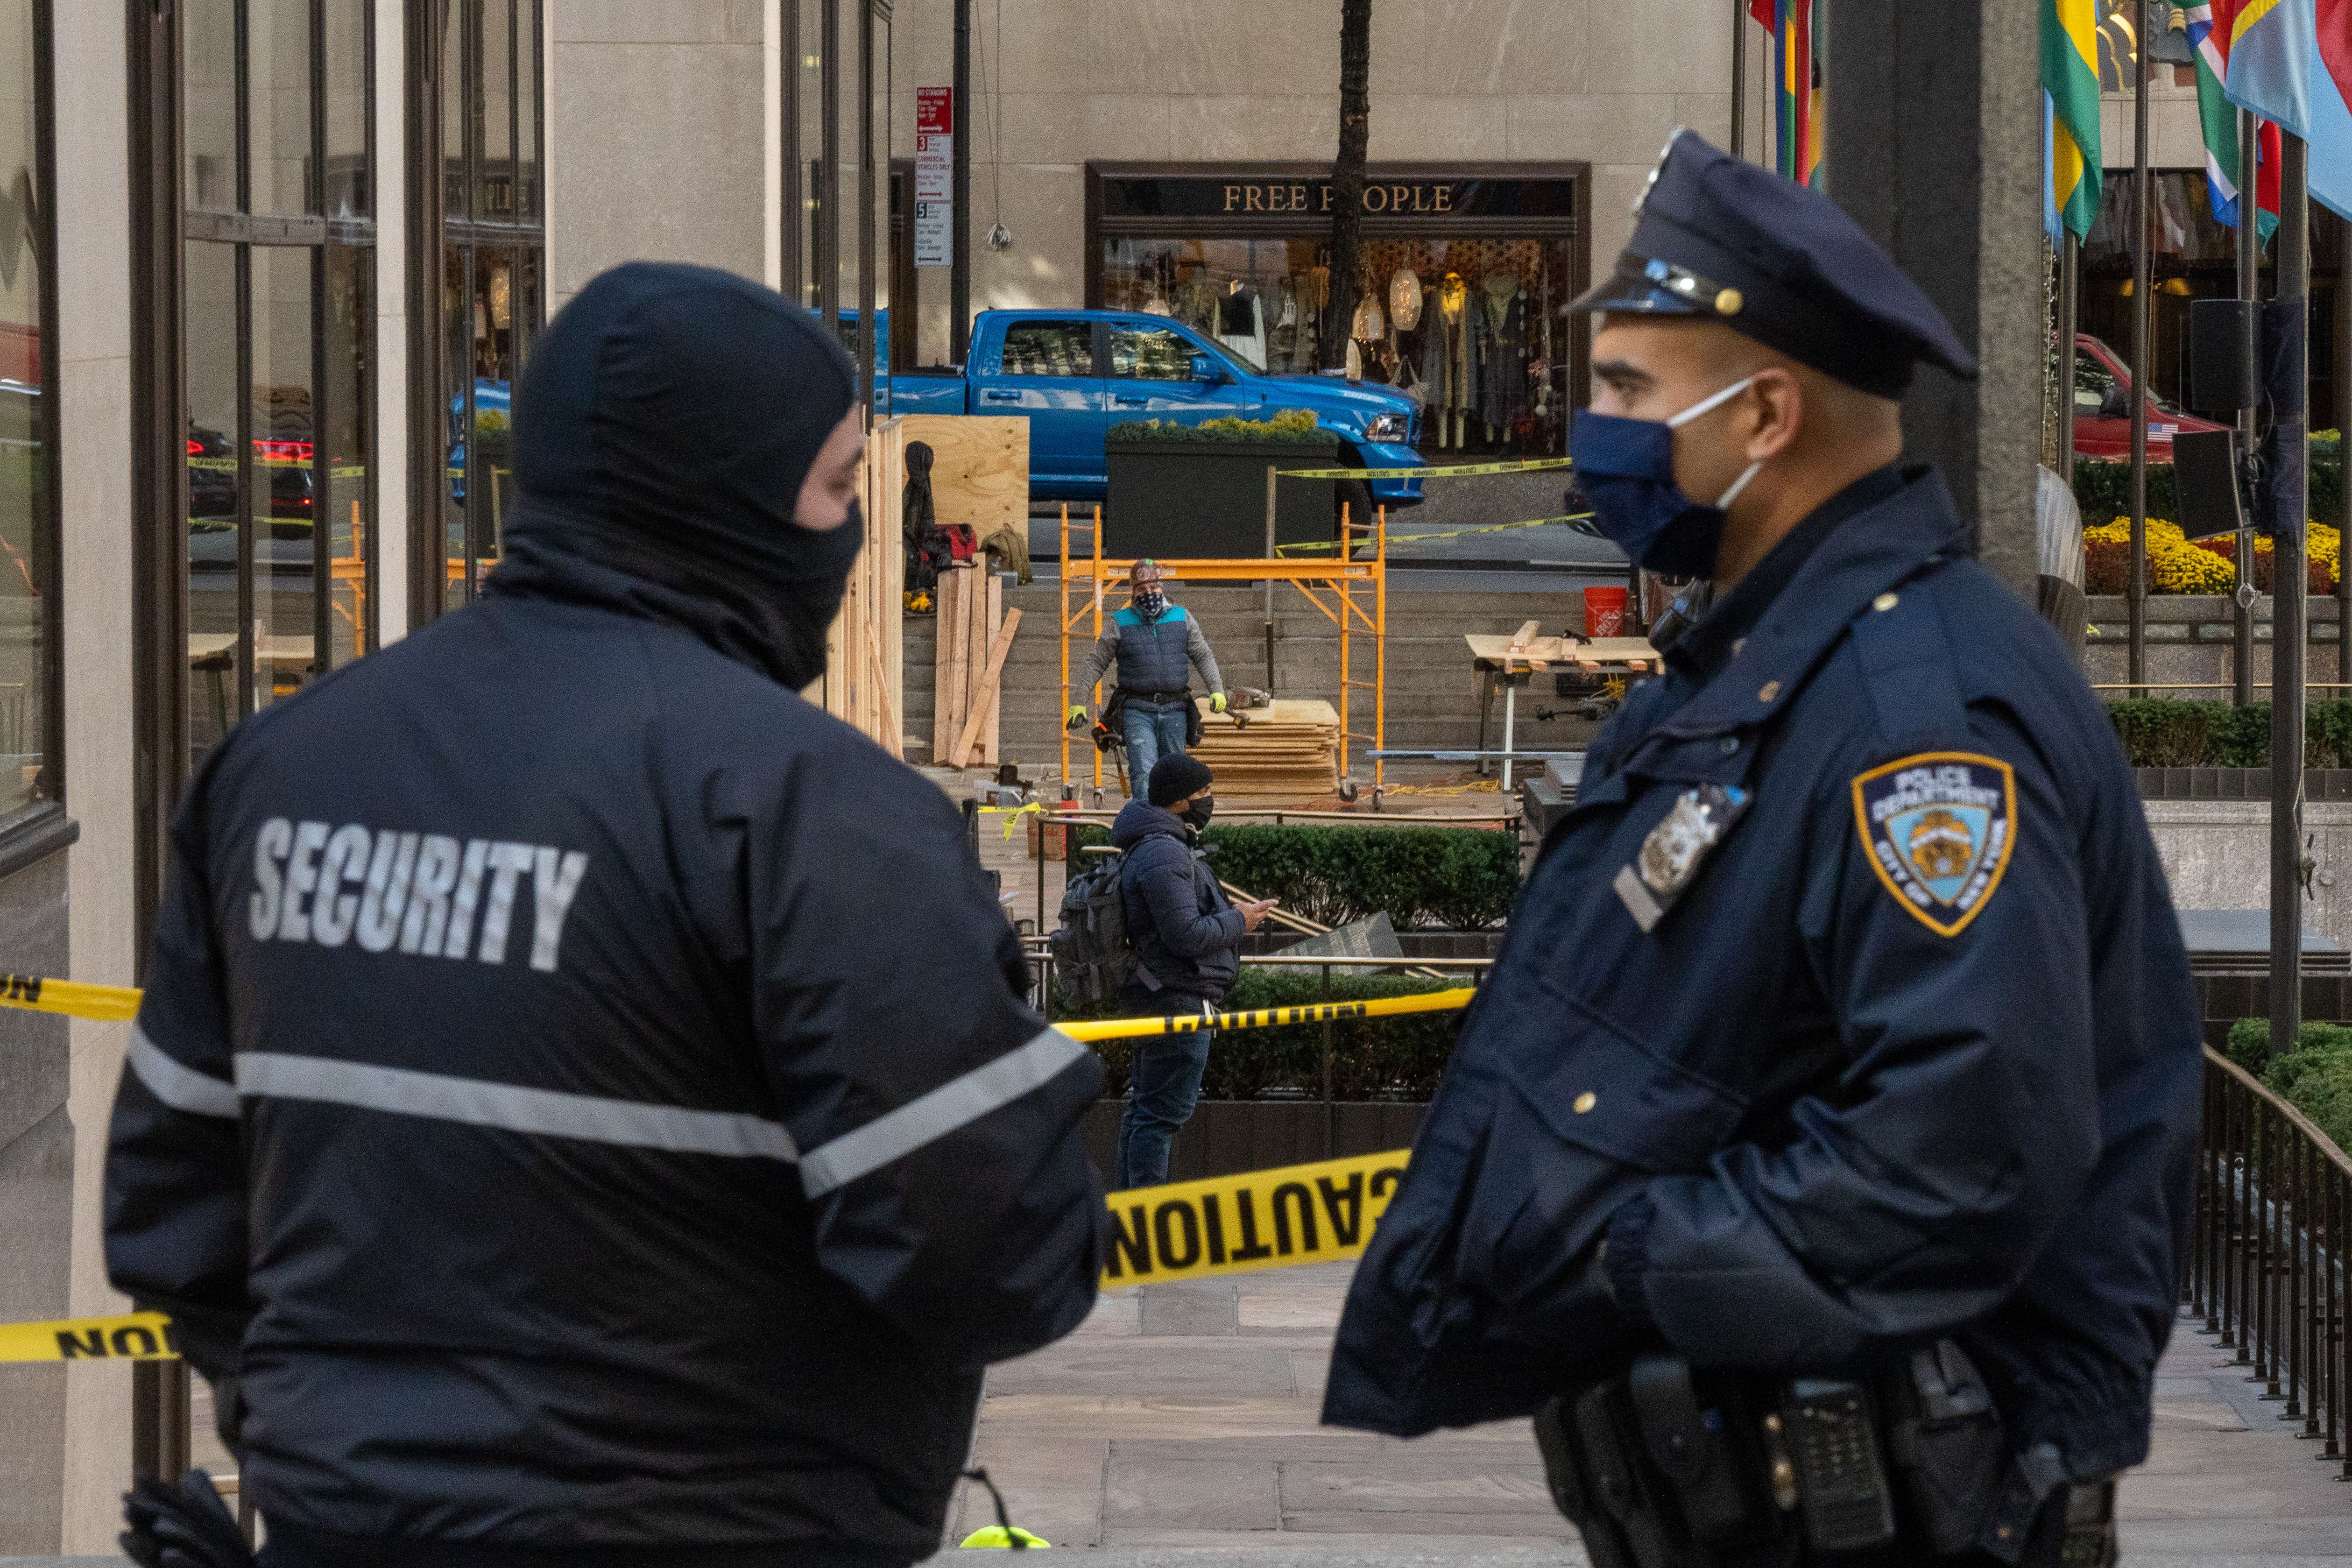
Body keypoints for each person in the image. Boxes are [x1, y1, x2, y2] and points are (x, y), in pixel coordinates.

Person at [104, 261, 1107, 1568]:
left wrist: (345, 1436)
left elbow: (173, 1209)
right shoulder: (811, 812)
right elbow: (993, 1245)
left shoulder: (278, 772)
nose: (856, 530)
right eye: (844, 483)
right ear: (733, 494)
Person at [1324, 132, 2201, 1568]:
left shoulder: (1913, 720)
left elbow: (1959, 1149)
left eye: (1622, 388)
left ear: (1765, 412)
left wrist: (1625, 1249)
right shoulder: (1757, 671)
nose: (1587, 423)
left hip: (1897, 1515)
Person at [1108, 753, 1274, 1187]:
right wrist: (1241, 921)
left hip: (1165, 993)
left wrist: (1234, 918)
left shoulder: (1157, 845)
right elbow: (1185, 935)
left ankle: (1129, 1219)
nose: (1209, 801)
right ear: (1180, 801)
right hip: (1177, 998)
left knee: (1145, 1112)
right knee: (1158, 1118)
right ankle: (1145, 1224)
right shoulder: (1164, 852)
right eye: (1202, 793)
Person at [1067, 559, 1228, 789]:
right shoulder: (1120, 622)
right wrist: (1079, 702)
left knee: (1174, 776)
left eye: (1154, 587)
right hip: (1137, 710)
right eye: (1142, 589)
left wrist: (1217, 690)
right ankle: (1147, 823)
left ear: (1162, 587)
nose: (1149, 593)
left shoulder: (1182, 618)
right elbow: (1096, 663)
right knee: (1144, 775)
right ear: (1133, 591)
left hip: (1175, 710)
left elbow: (1203, 655)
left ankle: (1170, 823)